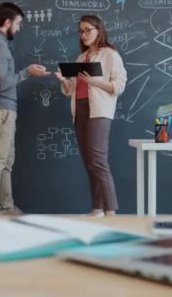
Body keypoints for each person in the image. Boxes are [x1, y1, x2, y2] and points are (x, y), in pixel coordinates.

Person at [0, 2, 49, 215]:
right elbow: (1, 83)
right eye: (18, 24)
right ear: (7, 22)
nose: (18, 29)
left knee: (6, 161)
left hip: (4, 108)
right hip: (1, 109)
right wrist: (27, 72)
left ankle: (7, 206)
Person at [54, 15, 127, 217]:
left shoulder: (110, 55)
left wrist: (95, 82)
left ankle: (111, 210)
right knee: (89, 161)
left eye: (88, 30)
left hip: (99, 111)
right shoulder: (81, 58)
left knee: (98, 160)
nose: (84, 34)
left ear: (98, 31)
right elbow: (71, 90)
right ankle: (97, 208)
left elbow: (119, 86)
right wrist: (63, 79)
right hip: (80, 110)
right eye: (81, 31)